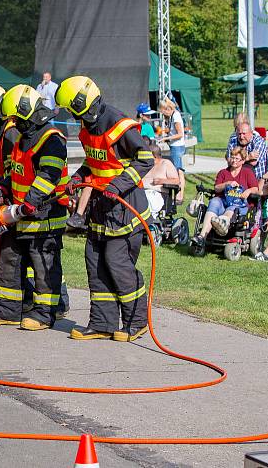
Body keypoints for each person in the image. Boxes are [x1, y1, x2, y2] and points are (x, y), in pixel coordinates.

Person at [56, 76, 155, 342]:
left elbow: (146, 159)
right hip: (101, 209)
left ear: (84, 105)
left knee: (117, 264)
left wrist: (119, 185)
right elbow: (94, 163)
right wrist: (78, 177)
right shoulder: (88, 126)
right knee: (96, 263)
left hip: (126, 210)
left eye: (73, 111)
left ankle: (137, 322)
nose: (73, 116)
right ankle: (103, 323)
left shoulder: (119, 125)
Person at [0, 84, 69, 332]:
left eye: (17, 118)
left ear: (29, 113)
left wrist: (30, 201)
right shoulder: (23, 138)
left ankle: (44, 313)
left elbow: (48, 176)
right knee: (8, 258)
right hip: (21, 213)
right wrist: (3, 189)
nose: (14, 123)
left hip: (45, 216)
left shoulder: (51, 140)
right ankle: (8, 310)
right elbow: (15, 171)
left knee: (43, 265)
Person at [191, 147, 258, 245]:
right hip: (223, 202)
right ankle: (202, 237)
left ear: (243, 161)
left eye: (237, 159)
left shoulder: (247, 172)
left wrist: (248, 191)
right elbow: (217, 188)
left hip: (239, 204)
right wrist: (227, 183)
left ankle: (223, 226)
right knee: (214, 201)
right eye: (232, 157)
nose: (233, 160)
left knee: (233, 207)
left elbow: (256, 189)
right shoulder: (223, 172)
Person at [157, 95, 185, 203]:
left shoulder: (176, 116)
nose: (163, 114)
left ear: (168, 109)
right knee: (179, 171)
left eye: (164, 112)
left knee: (178, 172)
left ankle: (179, 195)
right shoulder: (172, 116)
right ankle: (179, 194)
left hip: (177, 147)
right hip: (175, 146)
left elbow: (180, 134)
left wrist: (167, 138)